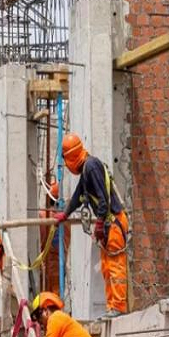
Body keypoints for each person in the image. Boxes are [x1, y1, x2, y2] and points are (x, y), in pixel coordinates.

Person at [54, 133, 129, 318]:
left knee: (115, 266)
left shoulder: (91, 167)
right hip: (109, 223)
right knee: (107, 267)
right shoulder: (87, 169)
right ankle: (112, 306)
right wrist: (66, 213)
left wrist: (100, 224)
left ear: (70, 158)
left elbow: (103, 199)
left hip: (113, 222)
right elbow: (78, 196)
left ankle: (119, 307)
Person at [39, 181, 71, 294]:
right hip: (60, 267)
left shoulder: (43, 216)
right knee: (56, 297)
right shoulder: (66, 220)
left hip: (46, 266)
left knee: (46, 297)